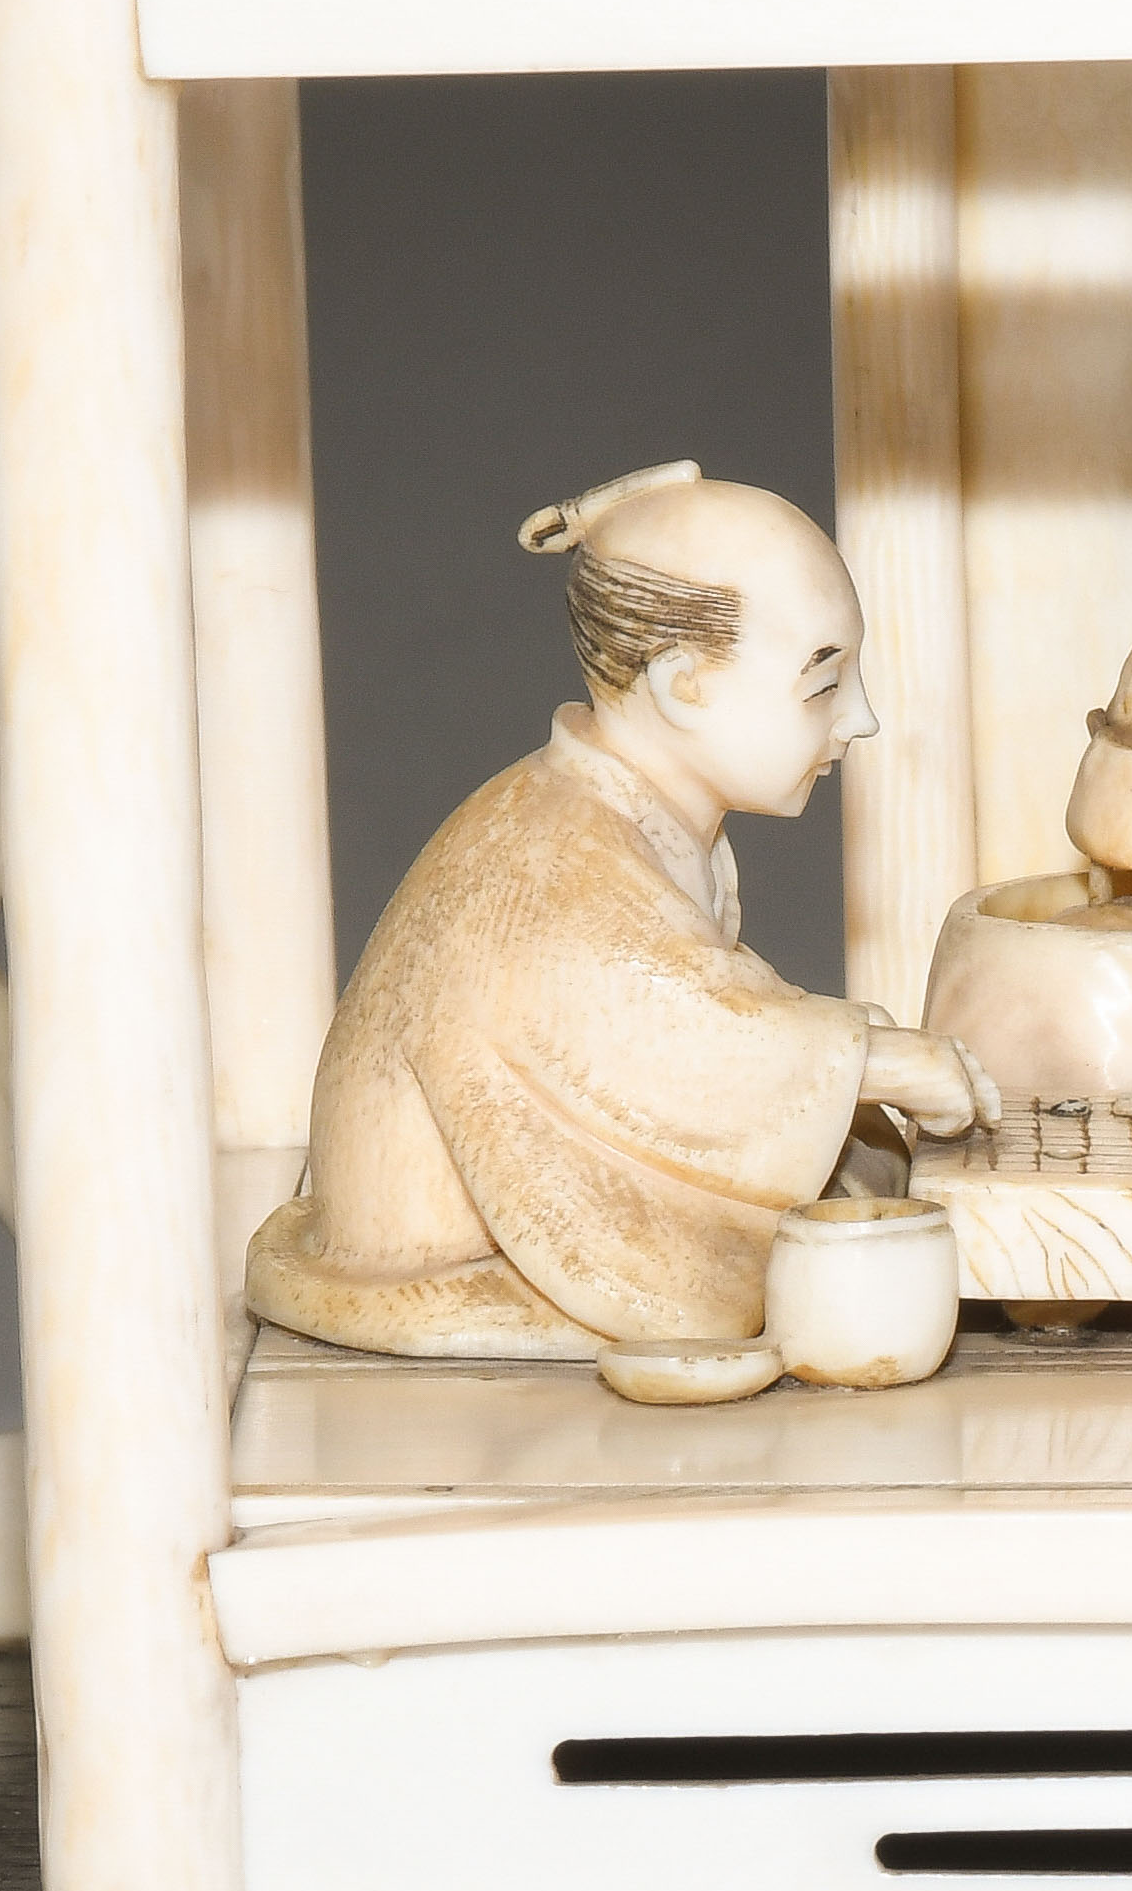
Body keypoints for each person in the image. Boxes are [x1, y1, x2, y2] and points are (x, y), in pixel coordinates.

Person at [247, 464, 996, 1359]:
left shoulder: (620, 816)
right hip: (439, 1253)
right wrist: (874, 1060)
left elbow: (696, 992)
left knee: (863, 1165)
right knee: (814, 1234)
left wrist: (857, 1053)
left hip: (513, 1195)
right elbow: (668, 1031)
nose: (861, 719)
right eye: (824, 685)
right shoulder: (550, 849)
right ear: (685, 685)